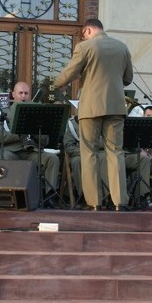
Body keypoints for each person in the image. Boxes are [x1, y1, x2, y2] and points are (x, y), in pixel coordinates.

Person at [54, 18, 133, 211]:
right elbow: (128, 79)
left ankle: (94, 202)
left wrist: (55, 83)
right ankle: (119, 202)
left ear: (88, 30)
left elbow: (68, 74)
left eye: (83, 33)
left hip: (91, 107)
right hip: (115, 107)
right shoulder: (122, 47)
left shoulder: (85, 46)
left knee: (88, 152)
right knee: (115, 153)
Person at [0, 82, 61, 207]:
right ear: (13, 95)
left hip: (32, 151)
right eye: (20, 93)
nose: (23, 96)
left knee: (52, 159)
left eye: (26, 93)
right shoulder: (3, 113)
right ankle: (10, 195)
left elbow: (45, 141)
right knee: (6, 157)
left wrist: (35, 130)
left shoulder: (37, 112)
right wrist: (20, 131)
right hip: (12, 151)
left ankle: (49, 196)